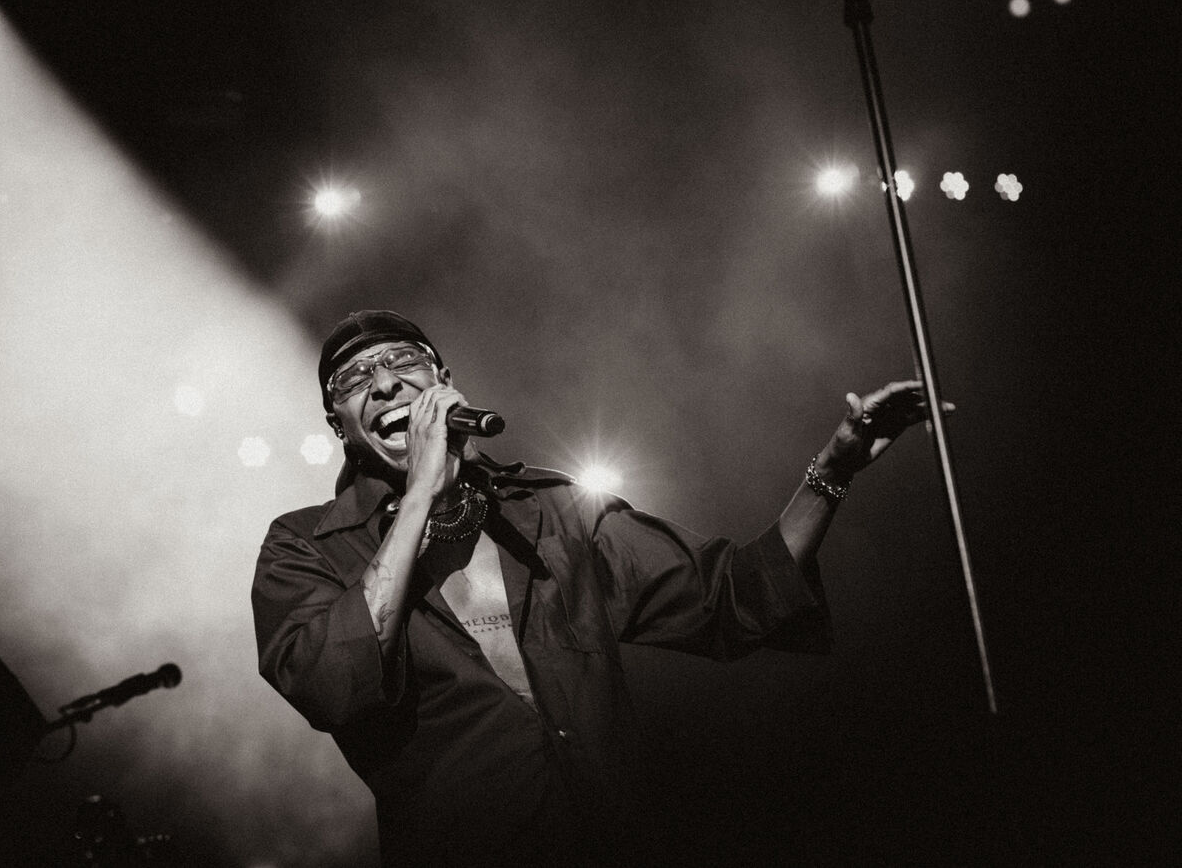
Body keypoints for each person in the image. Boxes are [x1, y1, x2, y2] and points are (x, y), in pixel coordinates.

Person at [252, 310, 941, 867]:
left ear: (445, 382)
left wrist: (832, 470)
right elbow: (330, 684)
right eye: (354, 378)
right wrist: (421, 494)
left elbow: (734, 594)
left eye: (403, 360)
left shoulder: (553, 511)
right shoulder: (305, 546)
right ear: (339, 424)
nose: (383, 383)